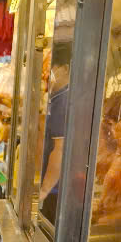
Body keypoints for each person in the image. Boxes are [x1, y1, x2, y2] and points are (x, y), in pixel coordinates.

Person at [39, 44, 71, 224]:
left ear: (65, 69)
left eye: (49, 68)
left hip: (56, 190)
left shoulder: (64, 102)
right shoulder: (55, 98)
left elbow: (61, 149)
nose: (45, 74)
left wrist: (44, 190)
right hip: (54, 188)